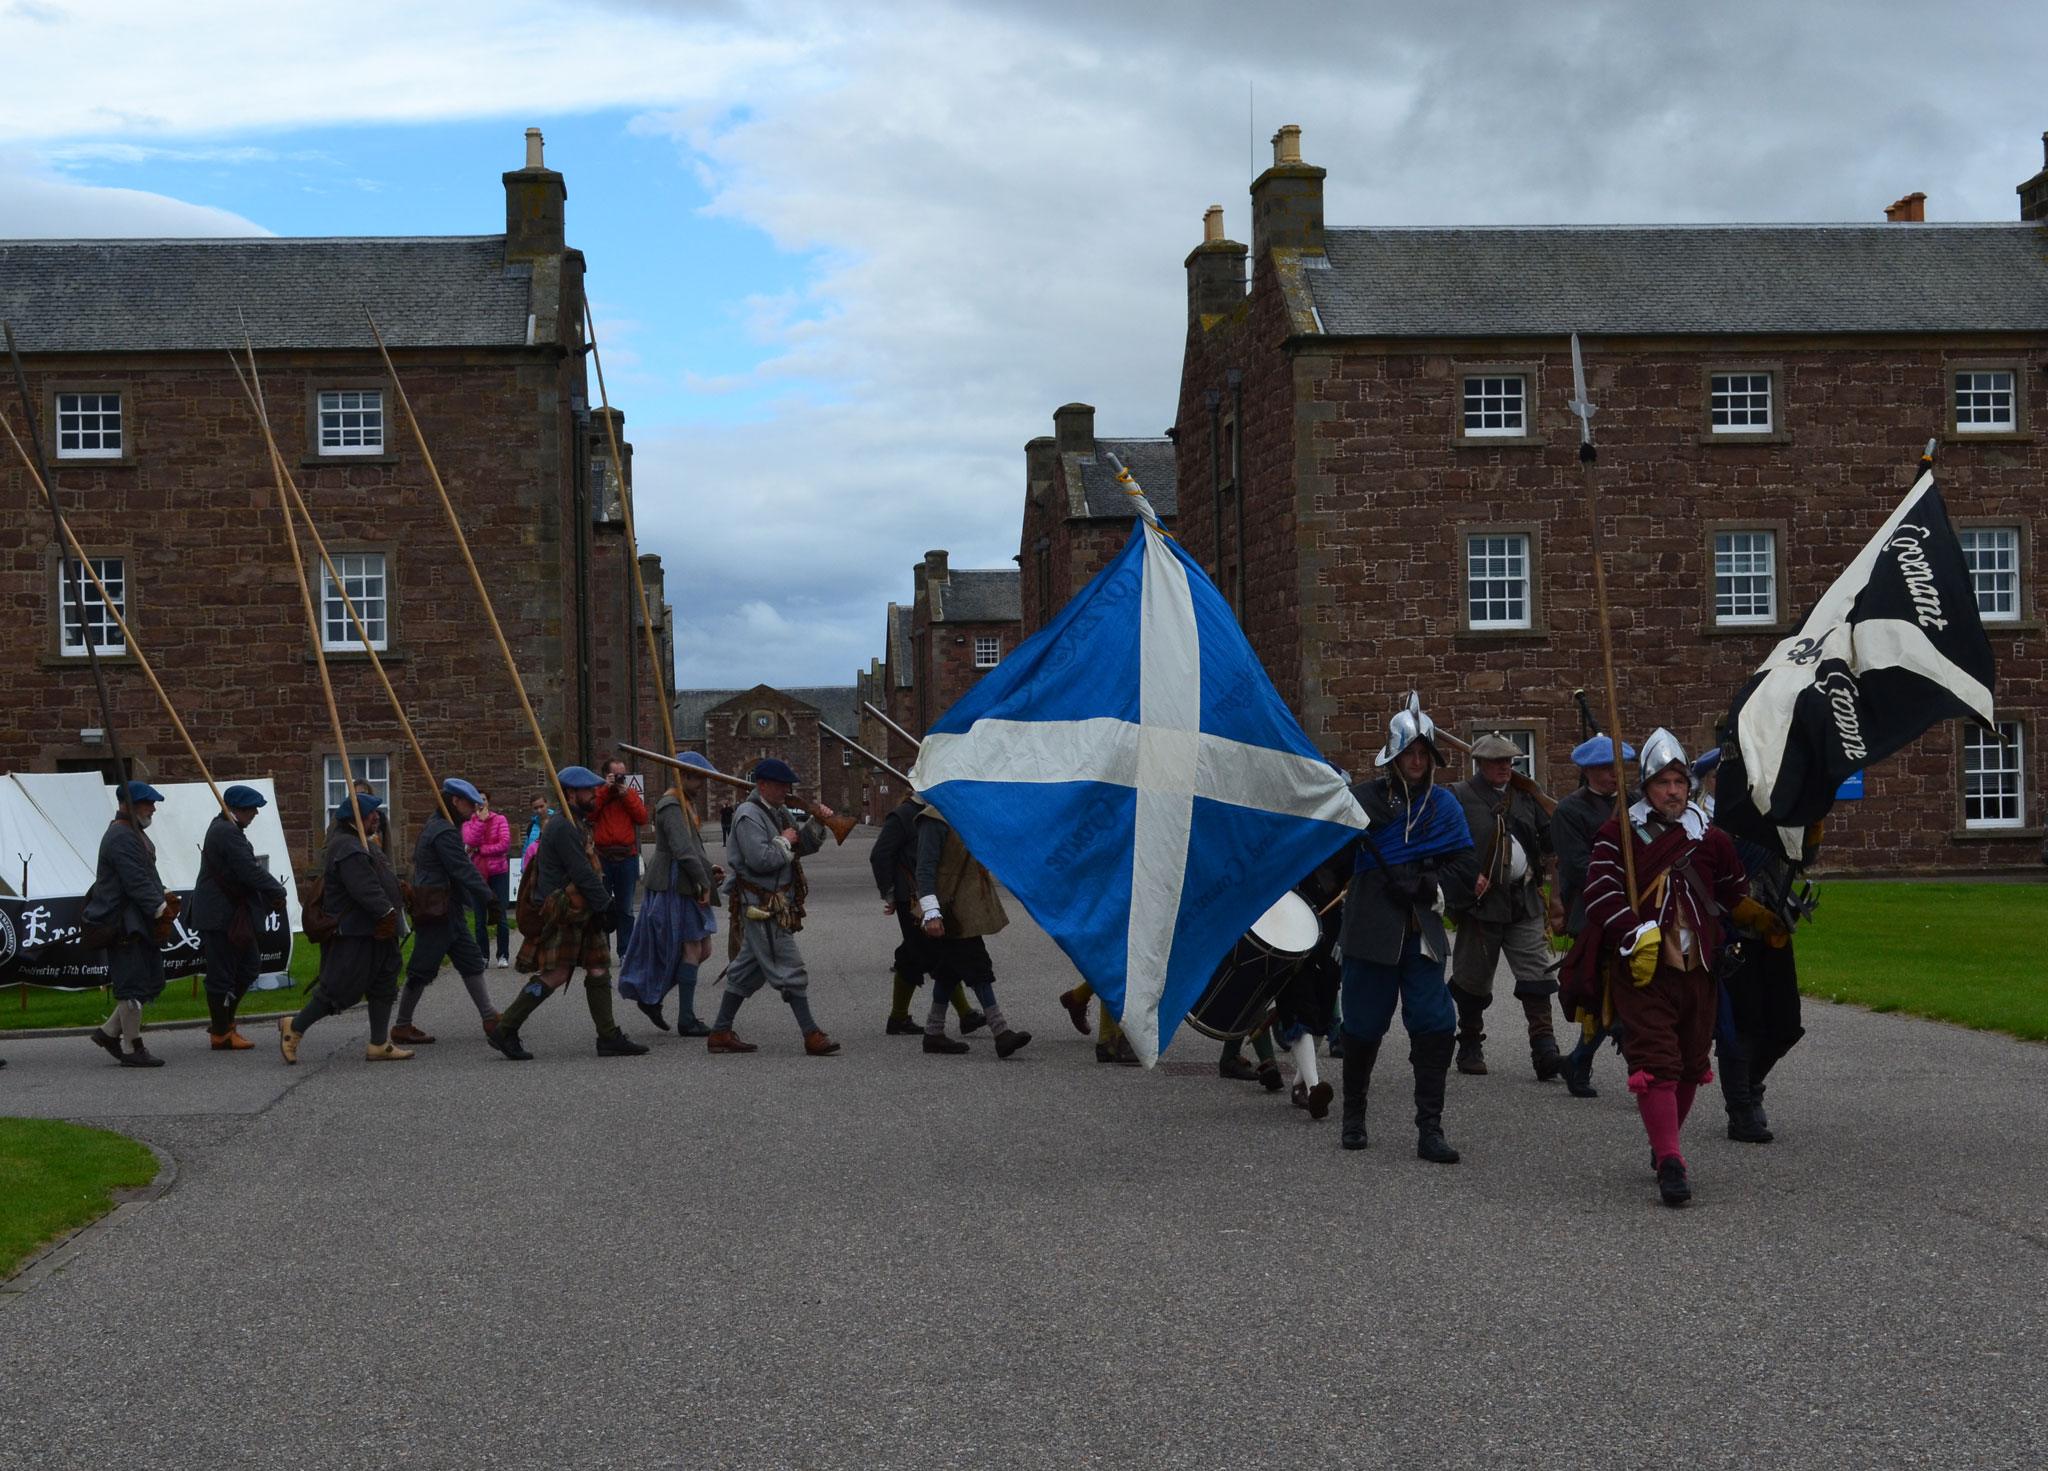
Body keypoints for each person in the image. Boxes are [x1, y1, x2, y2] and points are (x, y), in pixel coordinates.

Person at [1564, 728, 1784, 1207]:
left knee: (1689, 1064)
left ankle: (1665, 1143)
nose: (1672, 791)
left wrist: (1757, 916)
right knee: (1658, 1063)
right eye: (1662, 783)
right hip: (1642, 970)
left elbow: (1731, 890)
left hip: (1700, 968)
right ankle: (1671, 1161)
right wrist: (1632, 931)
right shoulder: (1619, 833)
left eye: (1679, 782)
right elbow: (1599, 891)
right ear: (1647, 787)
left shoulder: (1711, 836)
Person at [1334, 694, 1477, 1162]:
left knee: (1435, 1025)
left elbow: (1465, 864)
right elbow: (1334, 863)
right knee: (1361, 1027)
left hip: (1422, 933)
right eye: (1408, 753)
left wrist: (1426, 885)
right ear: (1393, 755)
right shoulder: (1361, 802)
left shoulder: (1444, 806)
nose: (1416, 761)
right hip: (1369, 931)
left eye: (1422, 754)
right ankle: (1353, 1115)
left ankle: (1429, 1130)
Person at [490, 766, 649, 1061]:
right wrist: (606, 905)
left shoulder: (576, 822)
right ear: (573, 794)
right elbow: (581, 872)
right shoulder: (563, 827)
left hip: (582, 905)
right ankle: (506, 1027)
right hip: (565, 906)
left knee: (598, 964)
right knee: (557, 972)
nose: (594, 795)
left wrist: (601, 904)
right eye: (590, 791)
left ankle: (608, 1036)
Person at [1447, 732, 1564, 1080]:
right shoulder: (1458, 797)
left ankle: (1545, 1050)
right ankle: (1469, 1044)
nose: (1504, 766)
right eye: (1497, 761)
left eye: (1509, 761)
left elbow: (1550, 840)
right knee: (1472, 981)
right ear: (1480, 763)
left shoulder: (1527, 797)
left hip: (1523, 899)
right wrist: (1463, 880)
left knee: (1537, 976)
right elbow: (1449, 847)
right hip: (1481, 903)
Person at [705, 757, 839, 1056]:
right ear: (763, 785)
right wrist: (783, 841)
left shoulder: (777, 812)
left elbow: (800, 846)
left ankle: (720, 1031)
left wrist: (817, 821)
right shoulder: (748, 815)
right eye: (781, 785)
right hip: (762, 905)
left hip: (775, 903)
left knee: (744, 972)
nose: (786, 791)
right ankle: (811, 1034)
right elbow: (761, 860)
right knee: (790, 968)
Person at [279, 794, 412, 1064]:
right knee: (338, 989)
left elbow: (379, 878)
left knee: (384, 982)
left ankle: (379, 1043)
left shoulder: (363, 842)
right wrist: (386, 912)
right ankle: (294, 1028)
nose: (377, 817)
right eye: (370, 813)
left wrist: (400, 892)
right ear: (354, 818)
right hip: (354, 933)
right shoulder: (347, 847)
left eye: (376, 812)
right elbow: (364, 888)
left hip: (377, 932)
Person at [1547, 733, 1635, 1098]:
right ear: (1586, 771)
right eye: (1602, 768)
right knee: (1609, 994)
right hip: (1594, 912)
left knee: (1620, 995)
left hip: (1634, 909)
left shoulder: (1636, 804)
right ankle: (1647, 1074)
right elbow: (1578, 866)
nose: (1612, 774)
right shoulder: (1570, 811)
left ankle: (1578, 1060)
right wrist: (1623, 877)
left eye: (1616, 766)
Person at [909, 802, 1029, 1057]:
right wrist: (931, 913)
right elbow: (925, 868)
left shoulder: (965, 811)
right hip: (947, 910)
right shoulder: (933, 819)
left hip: (966, 906)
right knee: (978, 968)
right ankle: (1001, 1032)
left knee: (948, 972)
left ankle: (933, 1032)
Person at [390, 778, 503, 1047]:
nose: (474, 810)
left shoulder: (444, 827)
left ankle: (489, 1016)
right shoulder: (443, 832)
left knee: (471, 960)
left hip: (446, 908)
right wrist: (489, 898)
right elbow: (461, 869)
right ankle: (402, 1025)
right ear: (455, 801)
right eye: (469, 804)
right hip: (436, 910)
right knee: (422, 968)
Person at [619, 752, 721, 1036]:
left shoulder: (685, 803)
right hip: (675, 883)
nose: (702, 784)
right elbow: (681, 850)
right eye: (698, 777)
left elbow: (692, 848)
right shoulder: (670, 804)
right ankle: (685, 1019)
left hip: (689, 878)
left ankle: (653, 996)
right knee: (691, 948)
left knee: (704, 950)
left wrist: (709, 869)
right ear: (683, 775)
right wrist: (704, 882)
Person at [870, 791, 983, 1037]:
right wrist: (890, 893)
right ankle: (965, 1014)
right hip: (910, 898)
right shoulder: (902, 816)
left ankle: (898, 1018)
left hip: (927, 896)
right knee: (937, 954)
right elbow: (880, 855)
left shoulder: (933, 813)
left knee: (913, 955)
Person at [187, 784, 289, 1050]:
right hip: (218, 915)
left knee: (247, 968)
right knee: (222, 974)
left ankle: (226, 1024)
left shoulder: (230, 830)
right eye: (251, 808)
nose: (255, 813)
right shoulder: (226, 832)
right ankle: (221, 1031)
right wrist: (277, 889)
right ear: (237, 809)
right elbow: (248, 870)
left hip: (231, 914)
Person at [84, 781, 175, 1069]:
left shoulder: (134, 835)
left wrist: (162, 894)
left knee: (148, 981)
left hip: (137, 920)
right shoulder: (121, 836)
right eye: (148, 803)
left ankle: (108, 1033)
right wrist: (159, 908)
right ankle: (133, 1047)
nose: (153, 808)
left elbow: (147, 874)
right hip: (123, 923)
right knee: (132, 985)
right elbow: (134, 880)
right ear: (130, 805)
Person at [591, 758, 650, 958]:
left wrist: (626, 796)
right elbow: (590, 815)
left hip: (626, 856)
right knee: (602, 905)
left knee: (626, 908)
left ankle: (626, 952)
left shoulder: (630, 793)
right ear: (605, 775)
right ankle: (602, 950)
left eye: (622, 775)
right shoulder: (598, 793)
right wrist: (606, 790)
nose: (619, 779)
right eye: (615, 775)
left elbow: (642, 818)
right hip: (603, 856)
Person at [464, 788, 513, 968]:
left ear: (488, 802)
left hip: (498, 872)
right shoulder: (469, 824)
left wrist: (482, 850)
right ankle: (483, 955)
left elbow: (504, 844)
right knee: (479, 918)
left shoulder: (500, 820)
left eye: (483, 799)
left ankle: (503, 955)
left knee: (500, 915)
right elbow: (470, 842)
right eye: (477, 800)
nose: (480, 803)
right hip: (478, 875)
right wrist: (480, 823)